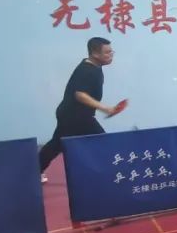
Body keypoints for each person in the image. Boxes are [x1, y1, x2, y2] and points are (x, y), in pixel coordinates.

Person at [39, 37, 123, 182]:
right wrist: (105, 108)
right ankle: (112, 176)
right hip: (74, 117)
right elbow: (80, 95)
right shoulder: (86, 70)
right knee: (103, 142)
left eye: (111, 52)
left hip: (74, 115)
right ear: (95, 54)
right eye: (107, 52)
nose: (111, 55)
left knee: (55, 145)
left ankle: (32, 171)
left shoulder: (95, 67)